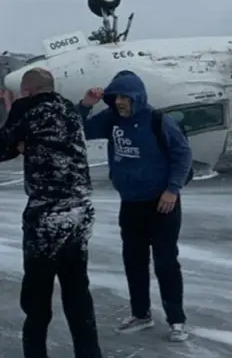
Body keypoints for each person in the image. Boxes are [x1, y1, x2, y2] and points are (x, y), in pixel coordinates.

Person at [77, 70, 193, 342]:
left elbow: (183, 154)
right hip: (130, 203)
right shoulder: (111, 120)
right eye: (116, 96)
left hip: (162, 203)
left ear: (137, 98)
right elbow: (78, 129)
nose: (119, 102)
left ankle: (176, 319)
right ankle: (141, 314)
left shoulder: (157, 120)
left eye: (125, 97)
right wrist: (85, 105)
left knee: (165, 263)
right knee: (134, 262)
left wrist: (172, 190)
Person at [0, 68, 102, 358]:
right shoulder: (68, 108)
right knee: (77, 289)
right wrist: (21, 142)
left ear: (28, 90)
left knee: (36, 298)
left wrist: (17, 141)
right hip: (80, 210)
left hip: (47, 213)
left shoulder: (27, 107)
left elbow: (3, 146)